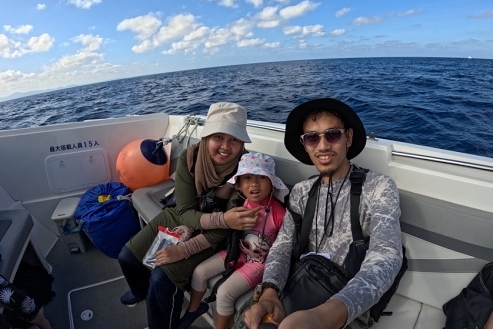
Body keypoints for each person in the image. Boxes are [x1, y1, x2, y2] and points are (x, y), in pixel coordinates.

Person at [244, 98, 403, 329]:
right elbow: (283, 246)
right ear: (305, 144)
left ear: (348, 138)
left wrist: (327, 316)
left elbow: (386, 255)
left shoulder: (378, 187)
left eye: (333, 135)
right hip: (302, 281)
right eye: (312, 138)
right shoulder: (301, 191)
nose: (322, 146)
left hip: (347, 301)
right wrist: (270, 292)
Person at [118, 102, 262, 329]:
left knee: (162, 278)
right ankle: (141, 291)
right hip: (184, 214)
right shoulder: (191, 157)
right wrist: (218, 219)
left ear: (242, 143)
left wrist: (184, 249)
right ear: (206, 137)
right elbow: (184, 211)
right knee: (128, 257)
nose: (225, 146)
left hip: (216, 234)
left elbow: (229, 226)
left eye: (234, 139)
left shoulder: (246, 170)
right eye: (218, 137)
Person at [179, 152, 289, 329]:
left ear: (272, 183)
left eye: (262, 177)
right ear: (238, 184)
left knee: (224, 293)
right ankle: (193, 310)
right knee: (199, 272)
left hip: (260, 264)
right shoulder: (240, 204)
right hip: (236, 252)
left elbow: (286, 248)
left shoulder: (280, 214)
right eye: (247, 178)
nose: (254, 183)